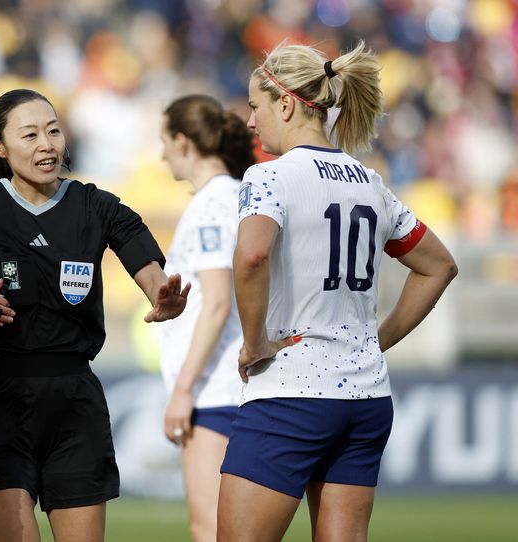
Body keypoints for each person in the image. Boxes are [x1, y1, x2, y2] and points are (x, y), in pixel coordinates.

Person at [218, 42, 458, 542]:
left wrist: (254, 341)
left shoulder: (268, 177)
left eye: (255, 107)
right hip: (365, 397)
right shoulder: (370, 182)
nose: (249, 122)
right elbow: (438, 267)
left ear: (285, 104)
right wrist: (376, 341)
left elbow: (252, 255)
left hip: (291, 393)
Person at [0, 88, 190, 542]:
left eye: (54, 131)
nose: (47, 144)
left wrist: (163, 295)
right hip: (1, 400)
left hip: (75, 405)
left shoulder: (95, 205)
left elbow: (146, 263)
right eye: (31, 134)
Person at [157, 94, 254, 542]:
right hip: (250, 384)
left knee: (211, 528)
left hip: (216, 390)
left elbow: (215, 302)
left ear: (183, 141)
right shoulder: (247, 196)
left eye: (165, 141)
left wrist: (182, 391)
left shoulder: (210, 205)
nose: (162, 154)